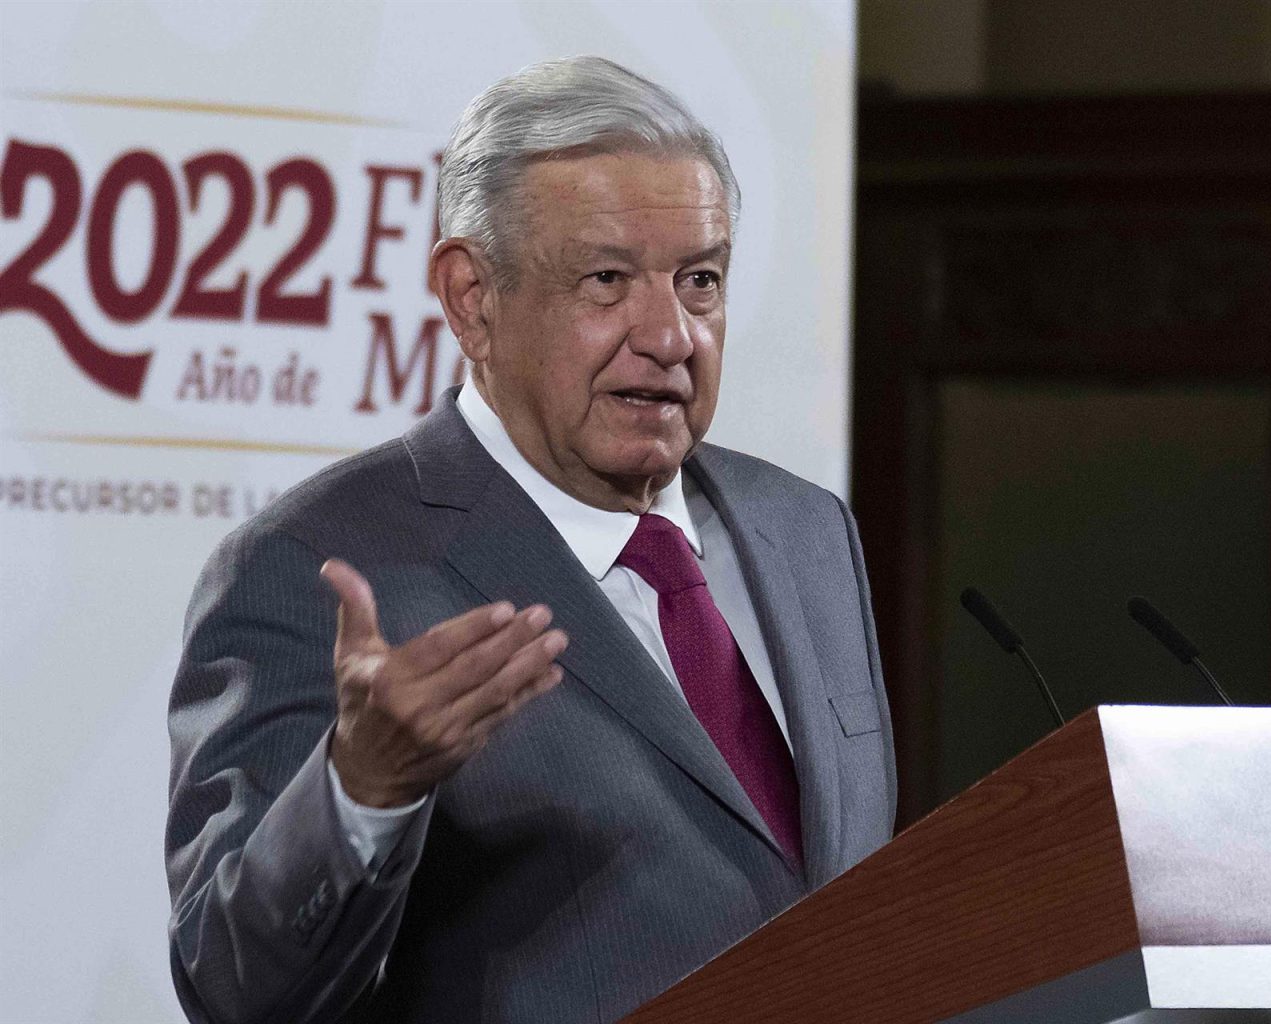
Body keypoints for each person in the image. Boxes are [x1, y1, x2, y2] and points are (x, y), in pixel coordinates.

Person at [165, 56, 895, 1024]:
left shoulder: (804, 527)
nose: (671, 335)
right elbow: (235, 989)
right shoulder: (320, 563)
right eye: (606, 280)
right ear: (472, 296)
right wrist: (364, 786)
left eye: (701, 281)